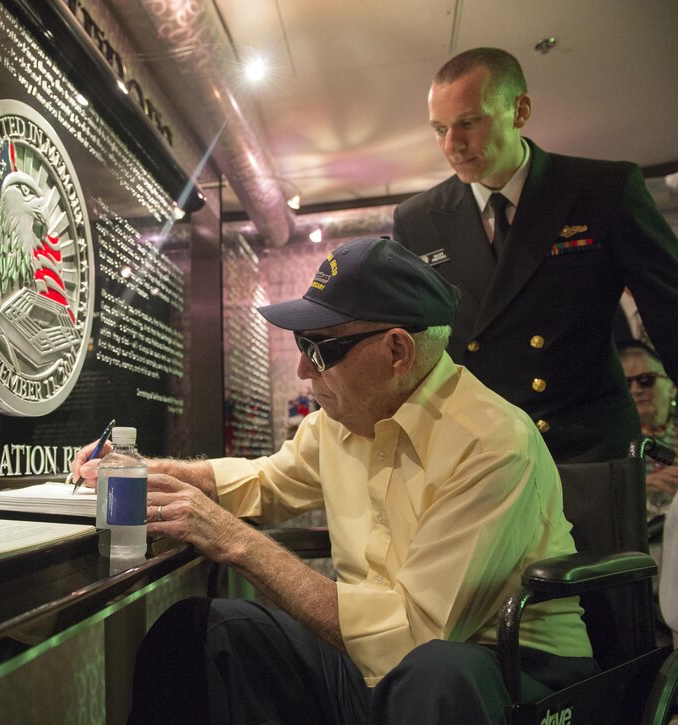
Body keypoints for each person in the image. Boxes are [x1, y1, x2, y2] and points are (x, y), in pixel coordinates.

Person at [74, 237, 597, 724]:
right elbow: (264, 482)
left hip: (506, 668)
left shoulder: (490, 442)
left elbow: (414, 635)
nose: (302, 369)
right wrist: (147, 471)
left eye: (319, 347)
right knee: (199, 634)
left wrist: (235, 542)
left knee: (437, 672)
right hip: (374, 663)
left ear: (397, 351)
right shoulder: (340, 420)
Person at [392, 47, 678, 464]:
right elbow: (413, 347)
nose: (452, 145)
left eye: (469, 123)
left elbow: (670, 311)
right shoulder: (417, 220)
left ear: (520, 110)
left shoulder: (602, 191)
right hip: (477, 453)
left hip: (584, 447)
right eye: (439, 129)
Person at [619, 339, 678, 518]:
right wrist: (641, 486)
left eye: (645, 380)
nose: (636, 390)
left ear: (671, 386)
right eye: (627, 384)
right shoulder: (614, 441)